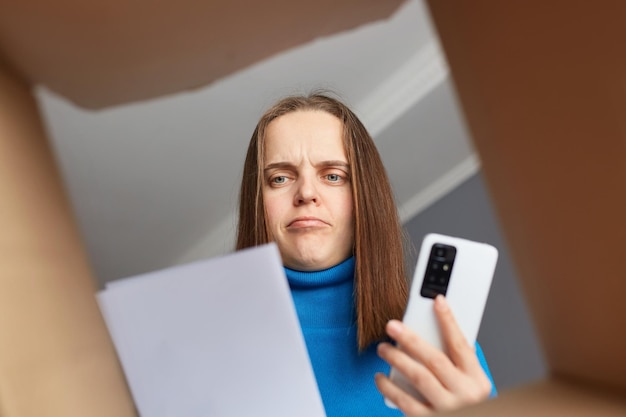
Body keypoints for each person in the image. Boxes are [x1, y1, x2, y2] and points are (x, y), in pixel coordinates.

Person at [236, 92, 496, 417]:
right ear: (255, 205)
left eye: (333, 176)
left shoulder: (442, 357)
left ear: (365, 199)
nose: (305, 193)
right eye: (280, 178)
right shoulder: (207, 349)